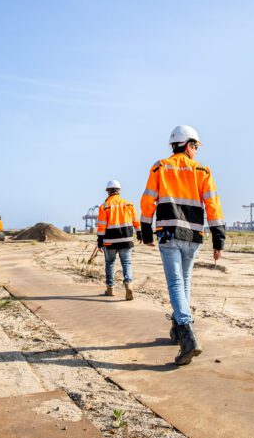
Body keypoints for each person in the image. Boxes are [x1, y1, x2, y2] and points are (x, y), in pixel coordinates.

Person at [140, 125, 225, 365]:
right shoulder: (203, 171)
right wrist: (218, 239)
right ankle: (178, 329)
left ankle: (187, 334)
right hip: (193, 237)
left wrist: (146, 232)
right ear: (188, 145)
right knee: (184, 282)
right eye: (196, 146)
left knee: (176, 283)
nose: (196, 151)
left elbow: (147, 201)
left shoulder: (160, 167)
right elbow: (213, 207)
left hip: (169, 233)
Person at [96, 180, 142, 300]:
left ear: (108, 191)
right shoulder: (128, 205)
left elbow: (101, 226)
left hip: (110, 241)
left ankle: (110, 289)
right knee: (126, 263)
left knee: (110, 263)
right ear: (119, 191)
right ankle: (129, 284)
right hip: (126, 240)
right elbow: (136, 221)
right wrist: (139, 234)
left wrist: (100, 242)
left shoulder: (104, 206)